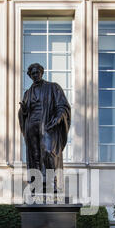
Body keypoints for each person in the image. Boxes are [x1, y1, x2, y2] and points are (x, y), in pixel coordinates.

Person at [18, 63, 71, 193]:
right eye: (32, 74)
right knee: (34, 155)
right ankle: (36, 185)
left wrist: (58, 117)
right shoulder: (27, 93)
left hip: (46, 125)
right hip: (31, 125)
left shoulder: (53, 87)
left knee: (48, 152)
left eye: (37, 72)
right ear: (30, 76)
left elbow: (62, 105)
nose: (35, 75)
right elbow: (23, 113)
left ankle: (52, 182)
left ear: (41, 73)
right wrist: (23, 110)